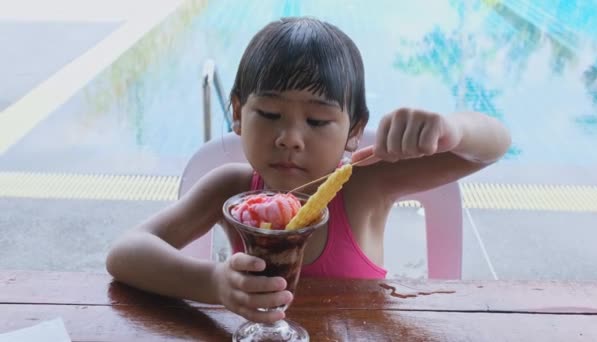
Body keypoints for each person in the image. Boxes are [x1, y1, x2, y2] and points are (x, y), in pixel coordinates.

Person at [106, 17, 511, 324]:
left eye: (317, 122)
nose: (290, 138)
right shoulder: (231, 188)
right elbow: (126, 253)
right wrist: (212, 284)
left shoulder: (366, 188)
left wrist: (454, 130)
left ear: (353, 131)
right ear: (236, 113)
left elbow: (492, 147)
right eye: (268, 113)